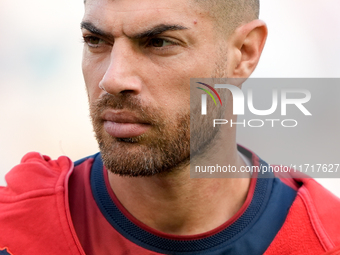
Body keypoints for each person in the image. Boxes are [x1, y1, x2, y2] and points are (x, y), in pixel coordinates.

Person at [0, 0, 339, 254]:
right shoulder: (13, 231)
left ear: (244, 53)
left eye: (159, 42)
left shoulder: (325, 237)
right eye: (95, 41)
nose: (113, 79)